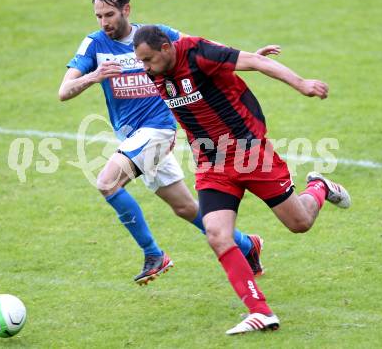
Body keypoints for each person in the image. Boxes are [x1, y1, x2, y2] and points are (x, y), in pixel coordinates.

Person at [133, 25, 351, 334]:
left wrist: (302, 83)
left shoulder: (197, 53)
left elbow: (259, 63)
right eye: (141, 61)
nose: (145, 68)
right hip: (211, 163)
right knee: (217, 234)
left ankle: (320, 186)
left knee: (299, 223)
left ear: (167, 48)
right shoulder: (156, 70)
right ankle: (259, 311)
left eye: (149, 60)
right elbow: (178, 103)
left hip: (250, 153)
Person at [58, 0, 279, 285]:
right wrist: (94, 76)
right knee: (185, 208)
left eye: (109, 14)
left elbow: (202, 47)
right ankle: (247, 245)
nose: (103, 22)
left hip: (160, 129)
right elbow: (63, 91)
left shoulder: (153, 37)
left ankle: (153, 254)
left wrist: (249, 56)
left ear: (126, 9)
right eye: (98, 16)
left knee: (107, 183)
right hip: (131, 137)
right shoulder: (94, 44)